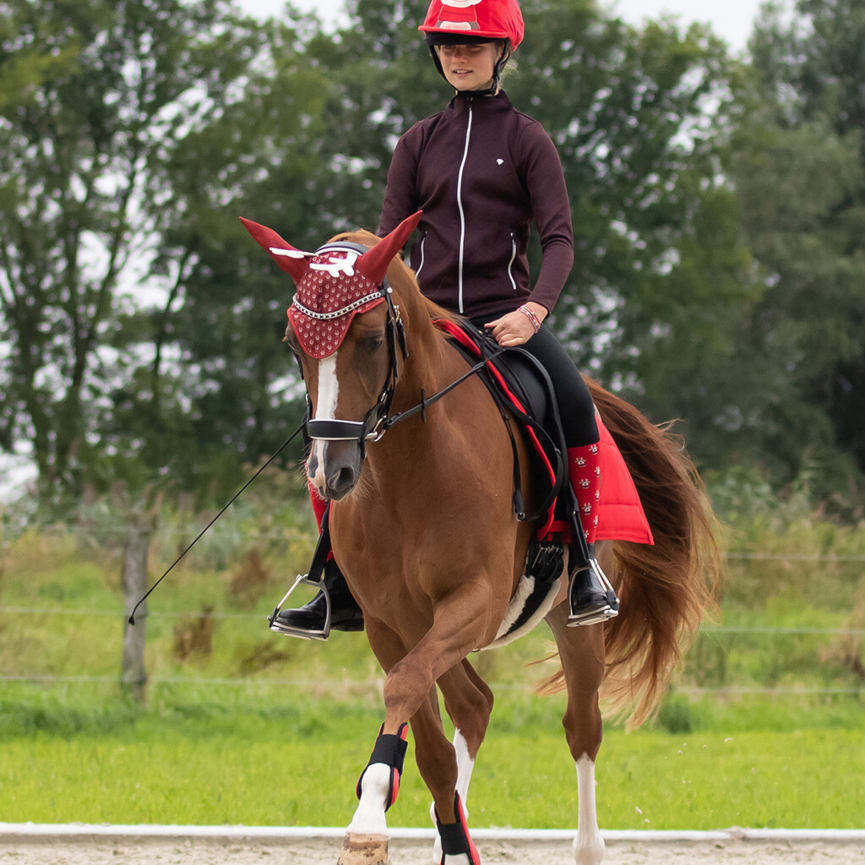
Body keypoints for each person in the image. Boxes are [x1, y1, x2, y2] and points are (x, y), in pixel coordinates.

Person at [274, 0, 623, 637]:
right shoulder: (416, 143)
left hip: (505, 322)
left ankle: (582, 566)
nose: (458, 57)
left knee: (573, 406)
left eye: (473, 46)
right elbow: (387, 250)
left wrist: (534, 312)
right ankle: (330, 577)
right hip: (428, 321)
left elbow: (560, 241)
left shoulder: (527, 139)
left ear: (501, 52)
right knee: (330, 420)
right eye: (448, 47)